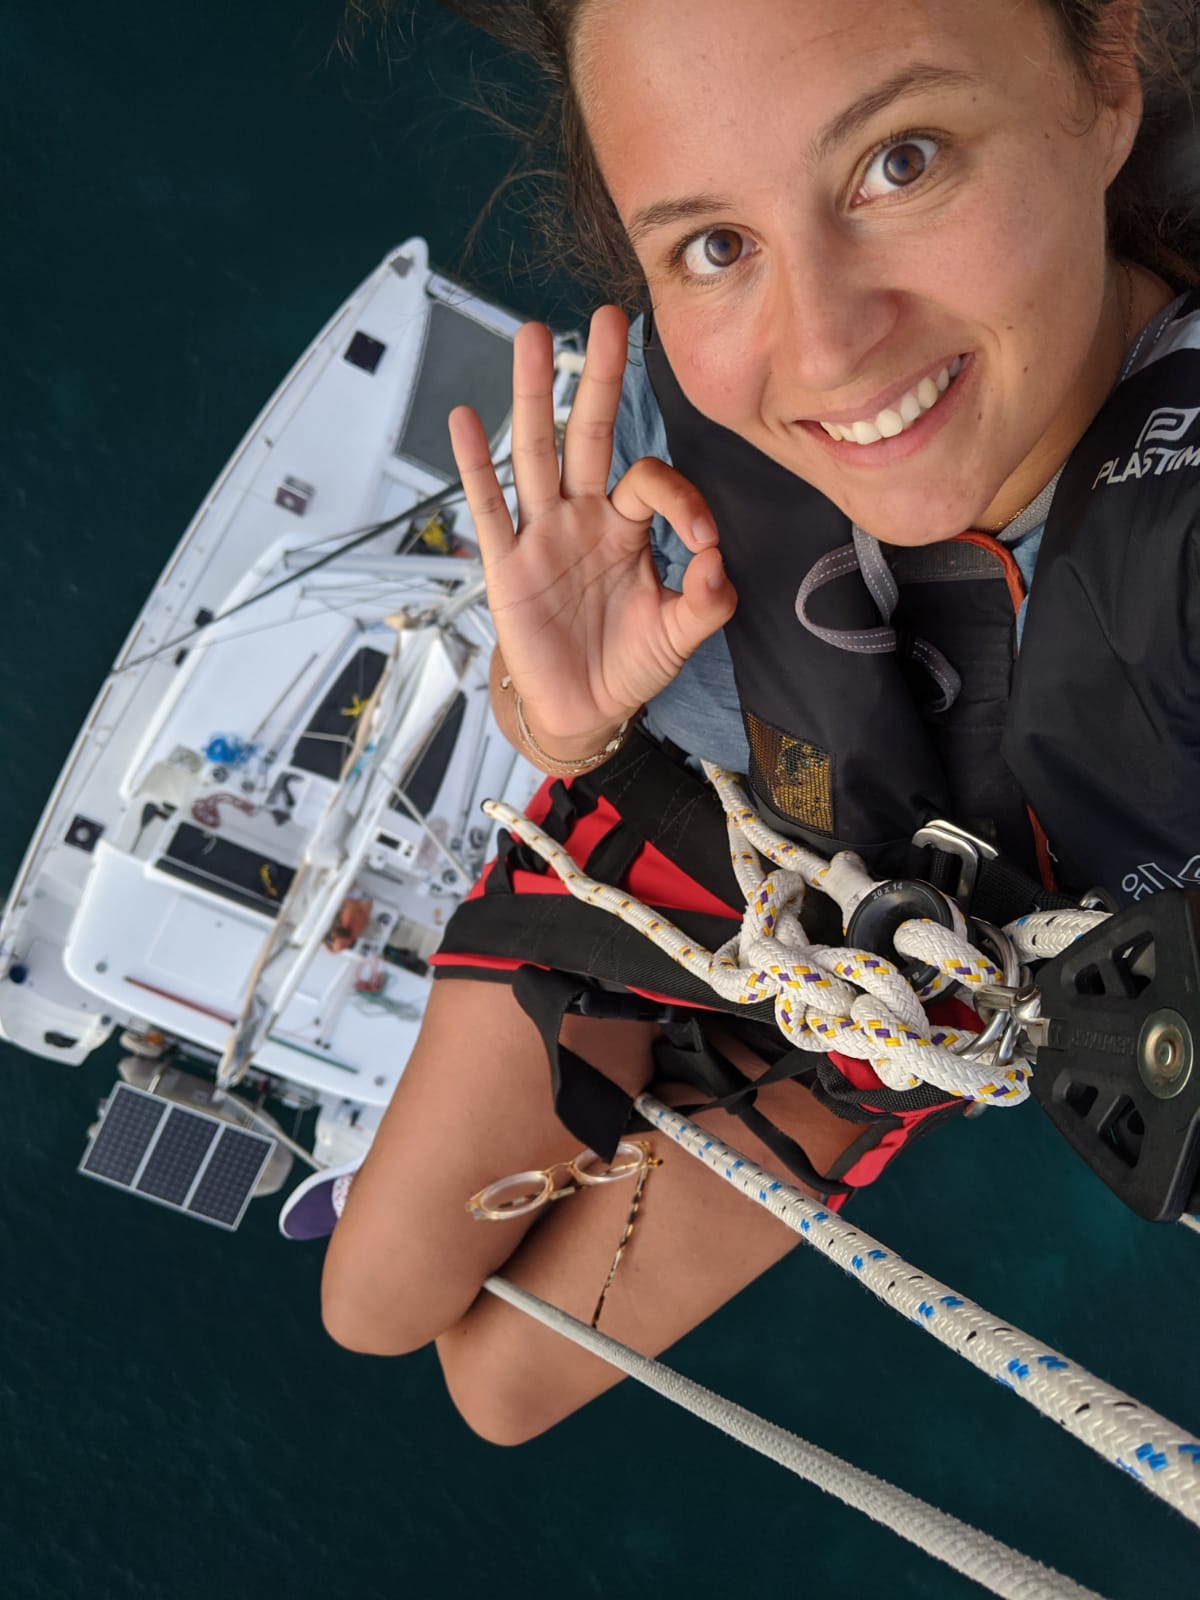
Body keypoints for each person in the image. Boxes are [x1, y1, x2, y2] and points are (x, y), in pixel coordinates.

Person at [321, 0, 1200, 1444]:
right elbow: (563, 711)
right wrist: (562, 722)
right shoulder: (694, 422)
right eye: (717, 245)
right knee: (374, 1301)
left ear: (1108, 80)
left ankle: (753, 1101)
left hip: (897, 992)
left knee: (499, 1390)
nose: (832, 349)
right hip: (664, 851)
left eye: (903, 160)